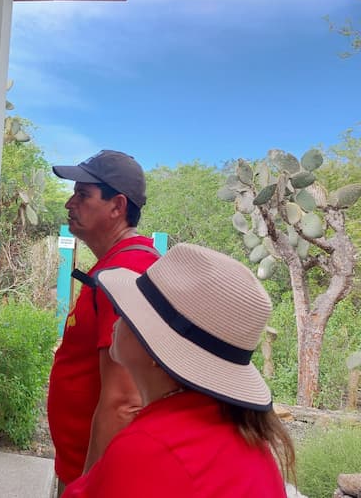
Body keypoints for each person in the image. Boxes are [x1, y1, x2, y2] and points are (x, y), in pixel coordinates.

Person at [62, 243, 295, 497]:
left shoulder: (150, 450)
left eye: (125, 311)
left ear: (156, 349)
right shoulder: (239, 434)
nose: (116, 318)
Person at [47, 150, 161, 494]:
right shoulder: (114, 265)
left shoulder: (128, 271)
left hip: (93, 474)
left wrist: (89, 487)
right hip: (81, 464)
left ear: (117, 206)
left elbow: (125, 401)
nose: (70, 203)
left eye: (83, 195)